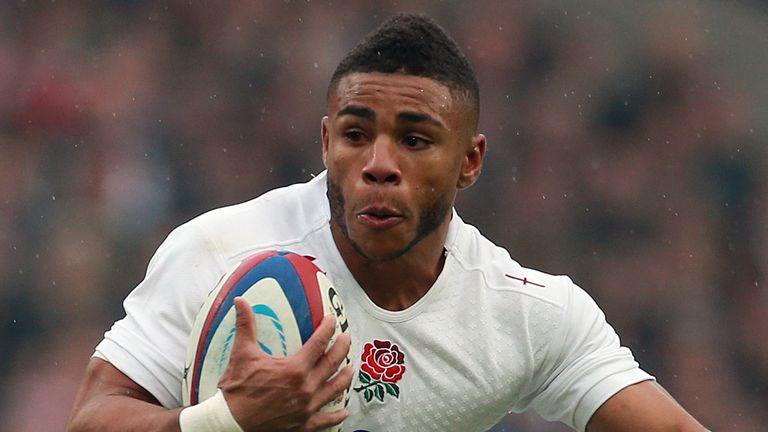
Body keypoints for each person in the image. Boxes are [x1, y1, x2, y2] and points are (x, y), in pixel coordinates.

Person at [68, 13, 708, 432]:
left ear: (470, 162)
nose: (379, 165)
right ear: (325, 143)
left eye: (415, 139)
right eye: (355, 134)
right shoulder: (220, 250)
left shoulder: (526, 312)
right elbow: (93, 418)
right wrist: (226, 420)